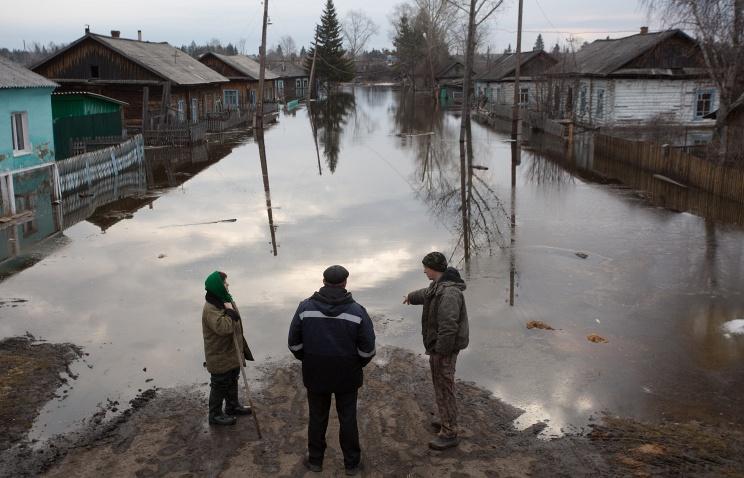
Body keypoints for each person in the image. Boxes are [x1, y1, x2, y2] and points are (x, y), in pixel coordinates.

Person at [288, 265, 376, 476]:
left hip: (315, 373)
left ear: (324, 281)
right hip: (347, 375)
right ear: (345, 283)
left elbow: (294, 344)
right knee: (348, 418)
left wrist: (309, 360)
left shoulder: (304, 308)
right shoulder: (357, 311)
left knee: (317, 417)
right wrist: (356, 364)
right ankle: (352, 464)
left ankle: (315, 461)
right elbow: (368, 349)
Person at [403, 252, 469, 450]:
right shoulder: (439, 285)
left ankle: (449, 433)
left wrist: (441, 352)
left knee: (444, 387)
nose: (424, 271)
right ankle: (446, 420)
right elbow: (427, 294)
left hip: (444, 350)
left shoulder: (449, 293)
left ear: (435, 268)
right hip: (438, 348)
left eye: (426, 267)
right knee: (440, 386)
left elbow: (449, 327)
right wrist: (410, 297)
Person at [202, 271, 254, 426]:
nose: (227, 285)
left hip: (232, 350)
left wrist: (230, 311)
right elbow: (223, 328)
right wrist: (230, 314)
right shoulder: (211, 307)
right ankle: (215, 415)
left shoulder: (225, 300)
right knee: (219, 383)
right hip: (219, 353)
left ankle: (232, 406)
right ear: (218, 286)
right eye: (225, 283)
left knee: (232, 378)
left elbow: (235, 321)